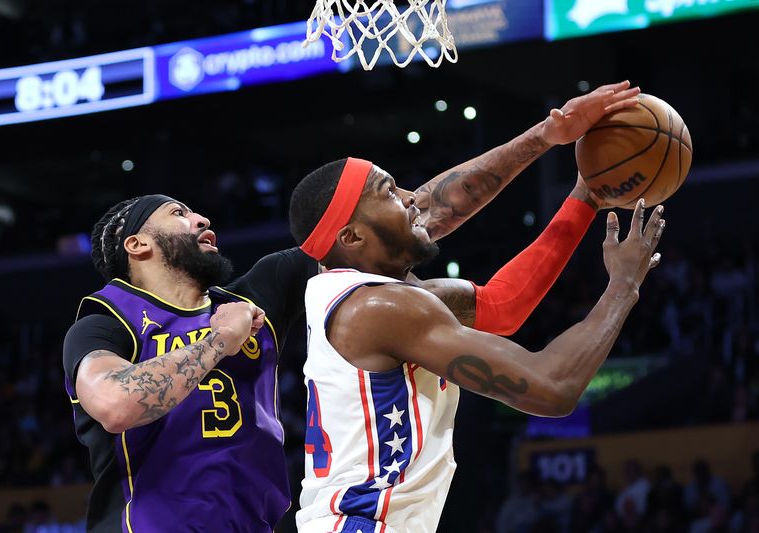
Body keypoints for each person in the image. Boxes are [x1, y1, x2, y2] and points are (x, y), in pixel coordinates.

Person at [62, 82, 641, 532]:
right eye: (179, 214)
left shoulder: (265, 292)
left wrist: (548, 137)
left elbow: (410, 220)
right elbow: (114, 404)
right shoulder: (102, 320)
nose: (201, 218)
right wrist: (216, 340)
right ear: (137, 245)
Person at [288, 157, 665, 532]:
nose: (410, 198)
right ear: (351, 237)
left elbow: (502, 306)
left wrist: (586, 196)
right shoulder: (381, 308)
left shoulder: (370, 299)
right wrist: (623, 287)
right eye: (388, 192)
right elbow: (553, 387)